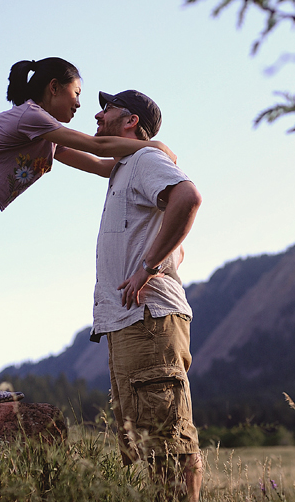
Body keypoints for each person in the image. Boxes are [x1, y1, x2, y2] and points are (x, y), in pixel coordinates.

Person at [0, 58, 175, 406]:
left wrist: (140, 154)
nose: (80, 104)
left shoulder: (45, 135)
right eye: (76, 92)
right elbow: (98, 147)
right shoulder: (32, 116)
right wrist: (156, 147)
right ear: (54, 87)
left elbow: (101, 166)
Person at [89, 90, 203, 502]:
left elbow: (188, 197)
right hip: (131, 322)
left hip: (149, 319)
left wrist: (148, 266)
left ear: (131, 120)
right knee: (150, 443)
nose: (98, 115)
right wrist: (39, 133)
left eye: (108, 108)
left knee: (167, 445)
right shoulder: (123, 167)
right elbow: (86, 154)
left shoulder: (144, 160)